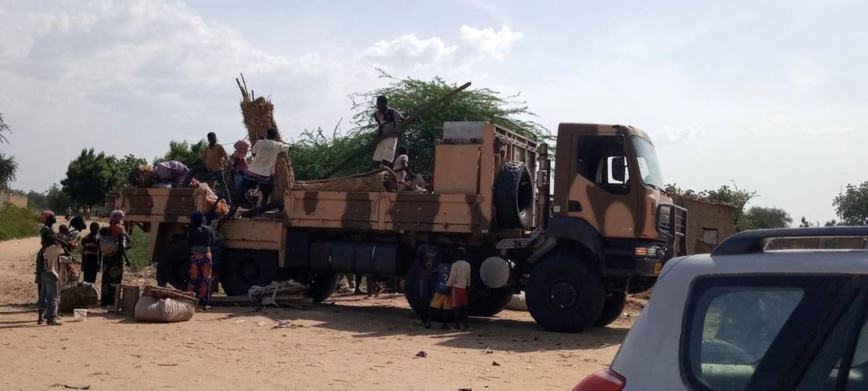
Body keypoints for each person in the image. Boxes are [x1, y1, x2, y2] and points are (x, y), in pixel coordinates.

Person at [229, 128, 291, 217]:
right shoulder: (278, 145)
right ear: (276, 136)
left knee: (241, 192)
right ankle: (259, 213)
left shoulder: (259, 142)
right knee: (265, 194)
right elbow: (288, 147)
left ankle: (232, 210)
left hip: (252, 172)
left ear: (266, 134)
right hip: (264, 175)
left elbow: (254, 152)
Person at [183, 132, 229, 199]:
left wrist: (228, 161)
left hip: (217, 169)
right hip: (207, 168)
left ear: (215, 138)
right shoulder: (207, 149)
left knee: (222, 184)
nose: (212, 139)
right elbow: (201, 159)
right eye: (210, 138)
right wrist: (190, 165)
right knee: (193, 170)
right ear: (208, 139)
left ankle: (228, 200)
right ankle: (185, 185)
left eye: (213, 138)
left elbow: (225, 156)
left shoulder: (219, 147)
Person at [187, 210, 214, 309]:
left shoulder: (191, 230)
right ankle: (204, 301)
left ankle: (189, 299)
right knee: (206, 279)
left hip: (195, 256)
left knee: (193, 279)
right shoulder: (209, 229)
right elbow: (213, 242)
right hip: (206, 255)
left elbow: (189, 244)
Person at [372, 96, 406, 167]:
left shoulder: (392, 112)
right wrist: (378, 137)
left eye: (380, 105)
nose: (378, 106)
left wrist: (412, 120)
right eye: (377, 104)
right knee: (377, 159)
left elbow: (403, 119)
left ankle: (385, 173)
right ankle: (377, 174)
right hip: (382, 138)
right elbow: (380, 126)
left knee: (386, 159)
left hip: (391, 137)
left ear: (385, 104)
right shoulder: (377, 114)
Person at [426, 251, 453, 330]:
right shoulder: (451, 267)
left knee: (432, 306)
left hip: (439, 289)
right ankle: (444, 324)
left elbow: (434, 274)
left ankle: (428, 321)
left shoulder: (440, 266)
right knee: (446, 308)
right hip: (447, 290)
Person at [446, 247, 472, 331]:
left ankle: (457, 325)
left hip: (456, 287)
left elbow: (452, 276)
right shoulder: (467, 264)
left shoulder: (455, 264)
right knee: (464, 306)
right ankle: (466, 325)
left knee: (456, 307)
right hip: (464, 287)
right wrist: (468, 285)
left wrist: (448, 285)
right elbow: (468, 277)